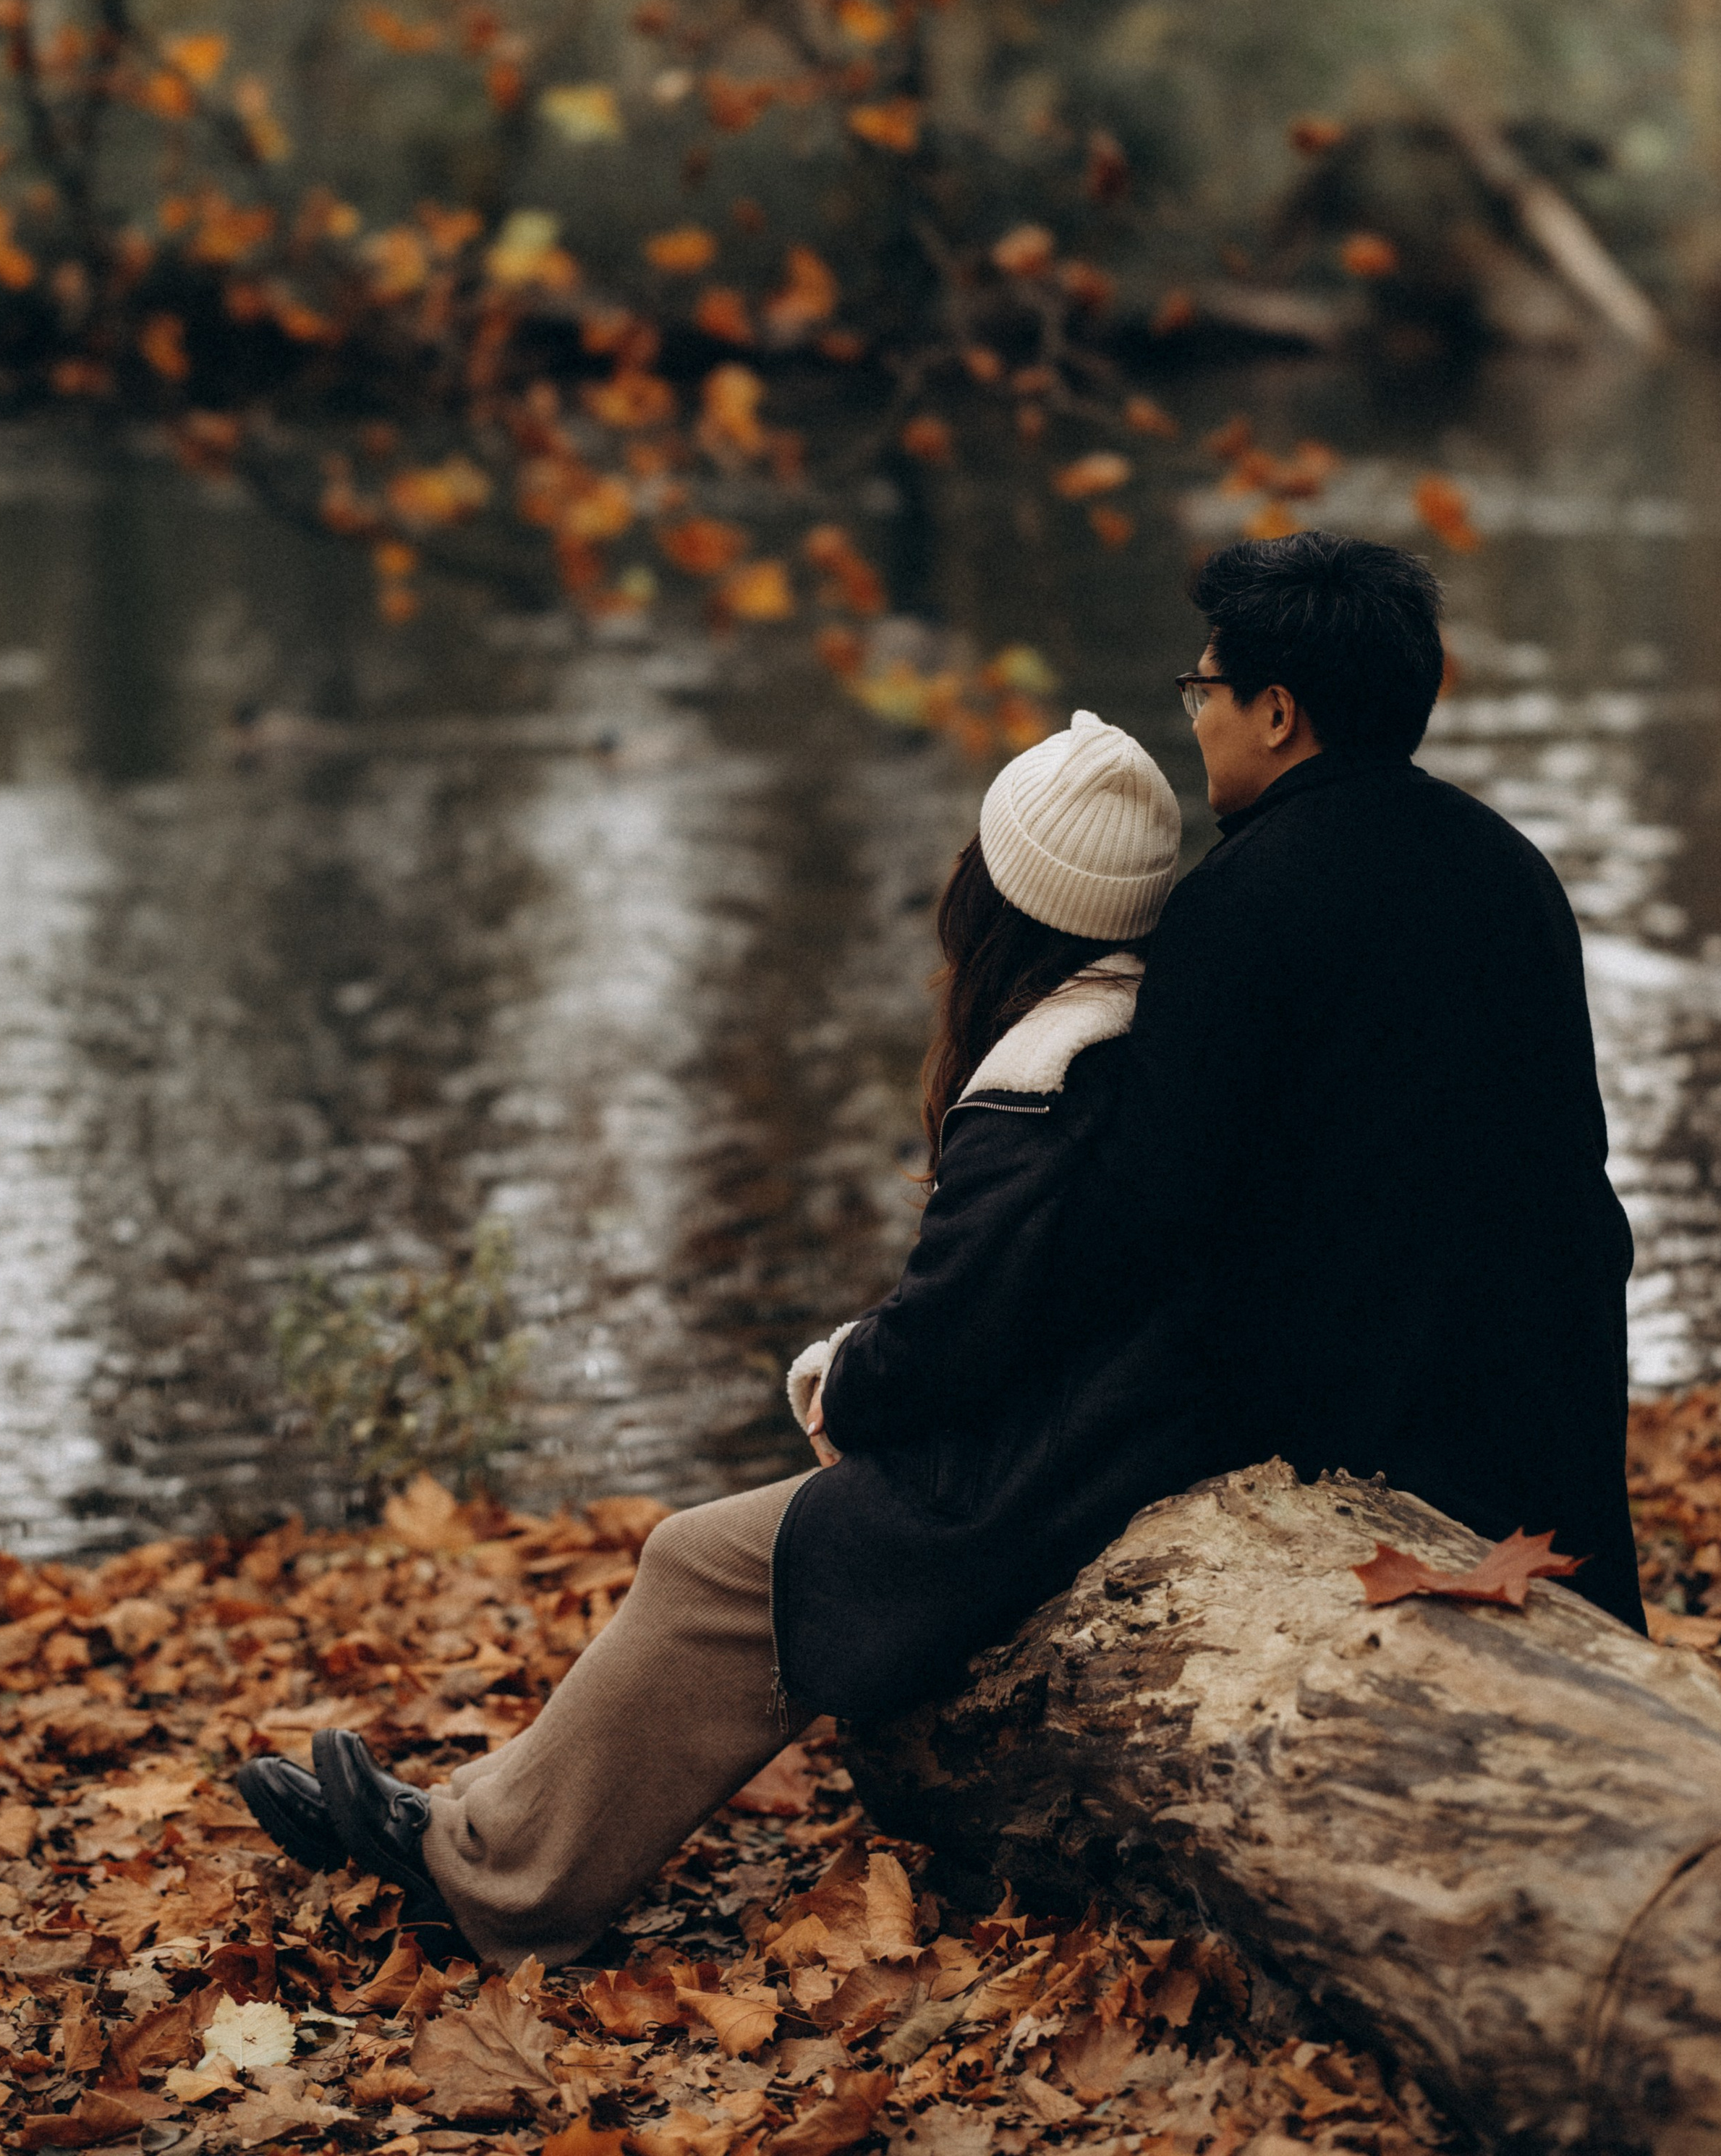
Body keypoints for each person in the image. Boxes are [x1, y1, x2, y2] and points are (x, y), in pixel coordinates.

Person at [236, 527, 1644, 1958]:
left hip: (1286, 1416)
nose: (1195, 711)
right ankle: (477, 1818)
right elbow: (1555, 1183)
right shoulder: (1509, 871)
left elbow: (1145, 1227)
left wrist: (917, 1384)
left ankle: (483, 1872)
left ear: (1277, 709)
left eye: (1204, 685)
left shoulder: (1239, 907)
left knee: (750, 1552)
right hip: (1522, 1409)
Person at [234, 705, 1186, 1965]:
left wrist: (839, 1375)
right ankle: (464, 1819)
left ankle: (494, 1887)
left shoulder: (1046, 1076)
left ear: (997, 893)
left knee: (709, 1563)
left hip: (1038, 1475)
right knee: (712, 1550)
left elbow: (948, 1341)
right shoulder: (1145, 1034)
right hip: (1091, 1429)